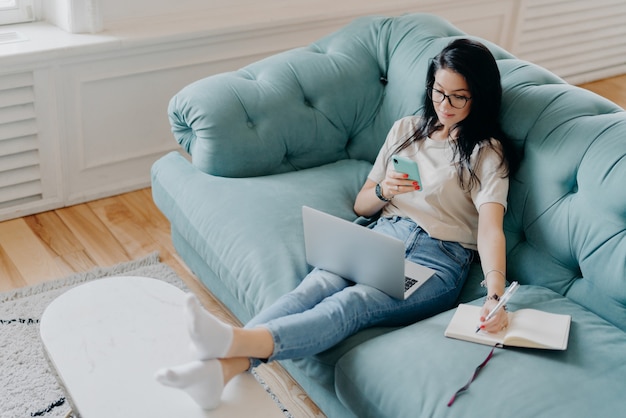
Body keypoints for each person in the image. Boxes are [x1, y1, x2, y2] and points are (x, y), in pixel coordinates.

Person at [154, 38, 519, 409]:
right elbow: (363, 201)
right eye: (439, 92)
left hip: (436, 260)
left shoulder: (486, 151)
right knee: (311, 289)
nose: (445, 105)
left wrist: (494, 295)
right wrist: (383, 190)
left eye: (459, 97)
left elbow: (490, 229)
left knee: (354, 303)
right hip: (382, 236)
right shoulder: (407, 130)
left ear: (480, 96)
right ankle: (219, 371)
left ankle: (232, 342)